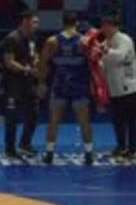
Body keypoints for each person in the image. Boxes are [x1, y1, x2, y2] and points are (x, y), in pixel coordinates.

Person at [37, 12, 96, 166]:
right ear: (76, 23)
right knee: (84, 120)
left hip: (60, 85)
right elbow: (94, 64)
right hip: (79, 85)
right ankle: (89, 154)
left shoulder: (52, 41)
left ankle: (49, 154)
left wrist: (41, 82)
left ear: (62, 24)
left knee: (54, 120)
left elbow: (43, 63)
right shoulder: (85, 41)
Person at [100, 14, 136, 161]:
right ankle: (121, 147)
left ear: (114, 26)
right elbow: (102, 62)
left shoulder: (124, 39)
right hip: (114, 88)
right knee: (117, 120)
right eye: (102, 26)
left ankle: (133, 149)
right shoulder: (107, 41)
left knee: (132, 120)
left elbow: (120, 57)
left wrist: (105, 50)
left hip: (130, 87)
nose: (103, 29)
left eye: (105, 26)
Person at [0, 10, 42, 159]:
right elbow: (9, 61)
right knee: (12, 117)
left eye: (37, 22)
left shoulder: (32, 38)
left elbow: (34, 54)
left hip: (28, 83)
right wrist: (26, 70)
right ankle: (10, 149)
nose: (37, 25)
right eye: (34, 22)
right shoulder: (12, 38)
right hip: (13, 84)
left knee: (34, 114)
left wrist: (36, 63)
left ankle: (25, 144)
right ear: (25, 21)